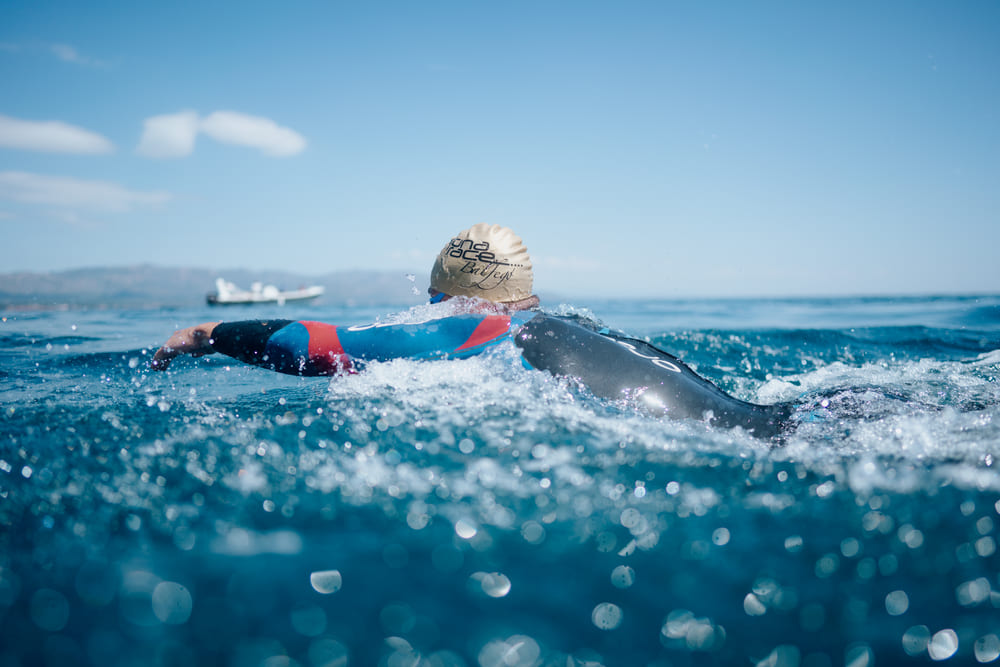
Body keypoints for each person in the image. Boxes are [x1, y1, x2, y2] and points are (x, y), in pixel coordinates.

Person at [152, 224, 791, 438]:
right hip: (775, 419)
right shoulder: (578, 329)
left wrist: (207, 333)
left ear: (446, 298)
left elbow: (315, 345)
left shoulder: (475, 331)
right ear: (526, 296)